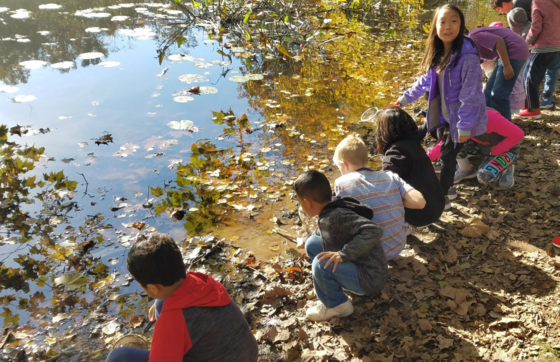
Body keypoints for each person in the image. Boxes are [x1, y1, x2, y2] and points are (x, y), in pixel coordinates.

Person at [105, 233, 258, 362]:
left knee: (119, 356)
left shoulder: (173, 320)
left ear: (153, 288)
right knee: (160, 303)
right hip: (247, 354)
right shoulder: (203, 282)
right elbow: (169, 298)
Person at [396, 4, 488, 209]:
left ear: (461, 24)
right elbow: (425, 82)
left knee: (447, 156)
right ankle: (460, 177)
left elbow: (471, 93)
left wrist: (464, 125)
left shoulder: (467, 56)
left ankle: (443, 197)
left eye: (454, 21)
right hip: (445, 117)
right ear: (435, 27)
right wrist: (403, 100)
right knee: (452, 150)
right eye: (442, 22)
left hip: (459, 118)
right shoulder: (438, 54)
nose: (448, 26)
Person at [294, 171, 388, 322]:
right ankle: (336, 285)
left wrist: (344, 254)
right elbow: (323, 231)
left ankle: (338, 306)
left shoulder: (337, 216)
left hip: (370, 278)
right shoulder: (332, 207)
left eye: (299, 202)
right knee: (311, 243)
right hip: (360, 264)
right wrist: (305, 239)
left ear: (307, 202)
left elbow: (374, 230)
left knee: (320, 264)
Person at [333, 134, 426, 260]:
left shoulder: (342, 183)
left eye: (340, 168)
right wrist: (391, 199)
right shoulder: (390, 177)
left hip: (372, 255)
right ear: (366, 160)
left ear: (345, 164)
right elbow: (420, 202)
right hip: (397, 246)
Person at [374, 106, 445, 227]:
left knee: (379, 198)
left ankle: (404, 227)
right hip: (438, 203)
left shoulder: (394, 152)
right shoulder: (413, 141)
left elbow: (386, 185)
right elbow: (423, 129)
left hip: (421, 214)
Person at [427, 109, 524, 188]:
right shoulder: (456, 118)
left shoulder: (489, 117)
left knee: (485, 176)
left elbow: (518, 134)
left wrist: (495, 151)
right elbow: (445, 144)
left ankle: (507, 167)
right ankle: (466, 169)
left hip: (505, 149)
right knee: (455, 143)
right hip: (482, 146)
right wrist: (426, 159)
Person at [468, 23, 530, 121]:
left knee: (498, 96)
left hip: (515, 51)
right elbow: (474, 68)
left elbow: (499, 41)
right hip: (506, 56)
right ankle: (490, 122)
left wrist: (507, 65)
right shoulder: (468, 50)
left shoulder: (473, 37)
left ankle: (506, 129)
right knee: (488, 91)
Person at [507, 7, 559, 110]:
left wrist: (527, 42)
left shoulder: (528, 31)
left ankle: (531, 107)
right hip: (555, 45)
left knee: (530, 79)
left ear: (513, 22)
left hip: (539, 53)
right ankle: (546, 98)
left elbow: (533, 34)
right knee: (551, 72)